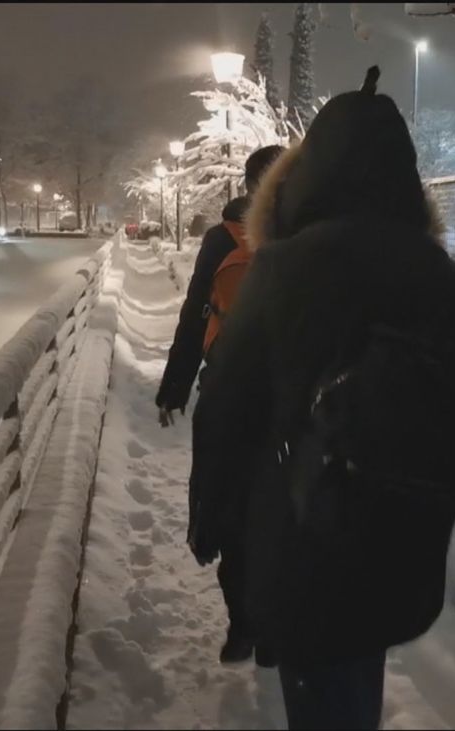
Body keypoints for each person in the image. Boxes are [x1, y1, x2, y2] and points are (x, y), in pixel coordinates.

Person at [189, 67, 455, 729]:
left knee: (322, 687)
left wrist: (211, 516)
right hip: (405, 539)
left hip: (300, 537)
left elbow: (225, 406)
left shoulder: (279, 272)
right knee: (354, 674)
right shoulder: (447, 283)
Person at [155, 144, 285, 664]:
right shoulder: (306, 238)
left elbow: (196, 314)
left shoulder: (222, 238)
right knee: (281, 512)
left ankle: (244, 625)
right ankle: (271, 626)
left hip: (229, 393)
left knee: (231, 506)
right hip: (290, 401)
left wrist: (175, 386)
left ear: (247, 186)